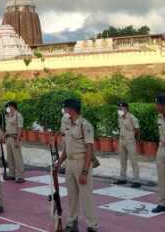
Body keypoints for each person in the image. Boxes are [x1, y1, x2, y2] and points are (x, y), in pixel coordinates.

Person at [54, 99, 98, 232]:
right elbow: (67, 148)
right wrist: (60, 162)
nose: (64, 111)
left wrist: (85, 171)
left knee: (86, 196)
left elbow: (89, 148)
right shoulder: (67, 124)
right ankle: (72, 221)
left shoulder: (85, 125)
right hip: (70, 163)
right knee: (72, 195)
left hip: (81, 162)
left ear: (71, 109)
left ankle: (92, 225)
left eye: (65, 108)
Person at [113, 102, 141, 188]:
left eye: (121, 108)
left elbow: (137, 129)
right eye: (119, 109)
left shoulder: (132, 118)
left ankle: (136, 180)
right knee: (122, 160)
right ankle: (122, 178)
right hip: (122, 140)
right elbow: (120, 128)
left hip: (130, 140)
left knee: (133, 160)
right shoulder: (120, 118)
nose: (120, 110)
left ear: (126, 109)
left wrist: (134, 138)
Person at [4, 101, 25, 183]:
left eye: (9, 107)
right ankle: (11, 174)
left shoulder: (18, 115)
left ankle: (20, 176)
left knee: (17, 157)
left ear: (13, 107)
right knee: (9, 157)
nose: (7, 109)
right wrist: (3, 136)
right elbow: (7, 127)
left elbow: (20, 128)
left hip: (15, 137)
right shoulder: (8, 116)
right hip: (8, 138)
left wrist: (17, 140)